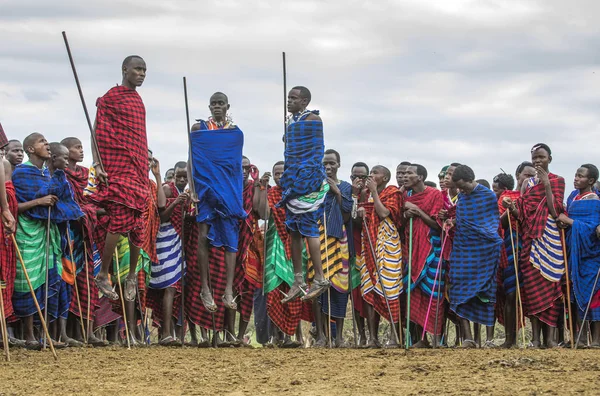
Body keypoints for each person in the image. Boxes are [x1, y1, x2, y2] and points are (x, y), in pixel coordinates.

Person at [186, 92, 246, 342]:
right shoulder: (199, 127)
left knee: (231, 241)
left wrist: (236, 192)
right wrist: (192, 188)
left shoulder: (235, 132)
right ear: (209, 106)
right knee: (203, 237)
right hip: (206, 189)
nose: (217, 107)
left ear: (228, 106)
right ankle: (205, 289)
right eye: (214, 104)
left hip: (229, 189)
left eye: (221, 104)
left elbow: (235, 164)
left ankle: (229, 290)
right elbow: (192, 160)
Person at [12, 134, 81, 349]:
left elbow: (61, 202)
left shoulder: (48, 174)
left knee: (46, 281)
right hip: (27, 233)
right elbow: (15, 206)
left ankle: (44, 335)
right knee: (28, 282)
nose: (46, 145)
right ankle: (30, 335)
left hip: (47, 233)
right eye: (42, 142)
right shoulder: (21, 172)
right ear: (31, 149)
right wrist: (40, 201)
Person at [91, 55, 149, 303]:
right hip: (116, 165)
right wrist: (97, 163)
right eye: (138, 69)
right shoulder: (111, 98)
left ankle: (132, 275)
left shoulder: (138, 100)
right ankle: (103, 273)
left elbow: (139, 135)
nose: (142, 74)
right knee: (120, 215)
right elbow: (97, 132)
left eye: (145, 70)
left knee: (138, 220)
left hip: (137, 167)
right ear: (125, 69)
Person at [503, 143, 565, 348]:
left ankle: (550, 339)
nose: (538, 161)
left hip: (550, 237)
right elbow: (522, 215)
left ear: (550, 159)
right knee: (531, 289)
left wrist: (546, 183)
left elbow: (555, 210)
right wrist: (512, 208)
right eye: (535, 158)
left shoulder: (558, 180)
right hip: (529, 238)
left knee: (551, 285)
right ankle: (536, 338)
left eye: (542, 157)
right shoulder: (526, 184)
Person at [279, 86, 330, 302]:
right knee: (294, 229)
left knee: (309, 227)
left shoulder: (312, 120)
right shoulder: (292, 122)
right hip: (292, 178)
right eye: (288, 98)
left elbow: (309, 148)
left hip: (307, 178)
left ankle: (319, 277)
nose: (289, 101)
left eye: (294, 98)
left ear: (305, 101)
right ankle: (298, 280)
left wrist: (290, 132)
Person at [448, 165, 502, 348]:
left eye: (463, 186)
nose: (461, 190)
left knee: (485, 293)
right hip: (463, 251)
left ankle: (488, 339)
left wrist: (491, 240)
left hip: (484, 251)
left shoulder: (487, 196)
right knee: (458, 290)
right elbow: (464, 220)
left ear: (471, 180)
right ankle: (468, 338)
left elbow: (490, 223)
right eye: (458, 187)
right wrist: (452, 221)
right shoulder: (462, 197)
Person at [60, 137, 106, 346]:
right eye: (76, 147)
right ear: (65, 151)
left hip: (88, 234)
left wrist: (94, 211)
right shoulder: (62, 175)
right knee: (68, 282)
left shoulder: (87, 175)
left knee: (88, 283)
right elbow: (66, 202)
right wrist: (85, 211)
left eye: (81, 147)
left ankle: (87, 332)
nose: (81, 151)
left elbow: (95, 200)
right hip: (69, 233)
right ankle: (67, 333)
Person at [306, 149, 353, 347]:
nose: (328, 166)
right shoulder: (313, 186)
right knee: (317, 286)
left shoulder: (346, 187)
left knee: (339, 288)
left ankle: (339, 337)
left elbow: (347, 213)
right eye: (325, 163)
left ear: (338, 164)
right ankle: (321, 336)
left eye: (332, 163)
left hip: (338, 241)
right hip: (317, 241)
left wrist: (336, 192)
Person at [258, 161, 304, 348]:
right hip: (274, 243)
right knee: (274, 290)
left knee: (293, 288)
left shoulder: (297, 193)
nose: (279, 176)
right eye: (276, 174)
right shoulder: (271, 194)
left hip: (294, 244)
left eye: (283, 173)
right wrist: (262, 189)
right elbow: (264, 213)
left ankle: (291, 335)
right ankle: (276, 336)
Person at [356, 165, 402, 348]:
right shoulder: (365, 195)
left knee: (390, 289)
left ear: (385, 178)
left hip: (387, 244)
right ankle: (373, 338)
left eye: (375, 173)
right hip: (369, 243)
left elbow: (383, 213)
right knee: (368, 289)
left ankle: (393, 336)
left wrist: (374, 193)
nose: (371, 175)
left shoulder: (393, 193)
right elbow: (359, 218)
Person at [46, 142, 86, 347]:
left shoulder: (63, 179)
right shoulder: (45, 177)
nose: (66, 161)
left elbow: (70, 204)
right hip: (49, 236)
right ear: (53, 158)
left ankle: (62, 333)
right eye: (62, 157)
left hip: (66, 237)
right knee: (52, 284)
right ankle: (49, 333)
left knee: (66, 285)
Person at [557, 164, 600, 347]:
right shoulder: (573, 197)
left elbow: (591, 228)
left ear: (590, 181)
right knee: (574, 295)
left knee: (594, 296)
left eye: (580, 176)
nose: (576, 178)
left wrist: (569, 221)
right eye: (575, 175)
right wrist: (564, 223)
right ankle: (580, 338)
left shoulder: (595, 200)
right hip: (573, 253)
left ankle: (597, 339)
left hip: (591, 255)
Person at [402, 164, 445, 348]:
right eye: (403, 173)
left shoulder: (434, 194)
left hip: (431, 249)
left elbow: (437, 224)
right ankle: (420, 339)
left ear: (420, 177)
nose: (405, 176)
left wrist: (418, 211)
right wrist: (406, 214)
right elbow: (398, 220)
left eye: (409, 173)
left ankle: (435, 338)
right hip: (411, 248)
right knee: (414, 293)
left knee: (433, 293)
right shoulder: (404, 195)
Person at [493, 172, 521, 348]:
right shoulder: (501, 200)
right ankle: (509, 339)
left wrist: (511, 208)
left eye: (495, 189)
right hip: (505, 247)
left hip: (517, 245)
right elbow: (498, 224)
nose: (493, 192)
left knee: (513, 294)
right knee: (509, 293)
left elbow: (505, 222)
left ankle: (513, 339)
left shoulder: (513, 198)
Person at [350, 161, 370, 346]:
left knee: (370, 293)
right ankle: (362, 335)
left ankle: (373, 335)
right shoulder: (348, 194)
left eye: (363, 177)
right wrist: (355, 196)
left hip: (373, 249)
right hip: (353, 248)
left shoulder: (374, 194)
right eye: (355, 177)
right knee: (355, 293)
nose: (359, 180)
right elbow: (353, 219)